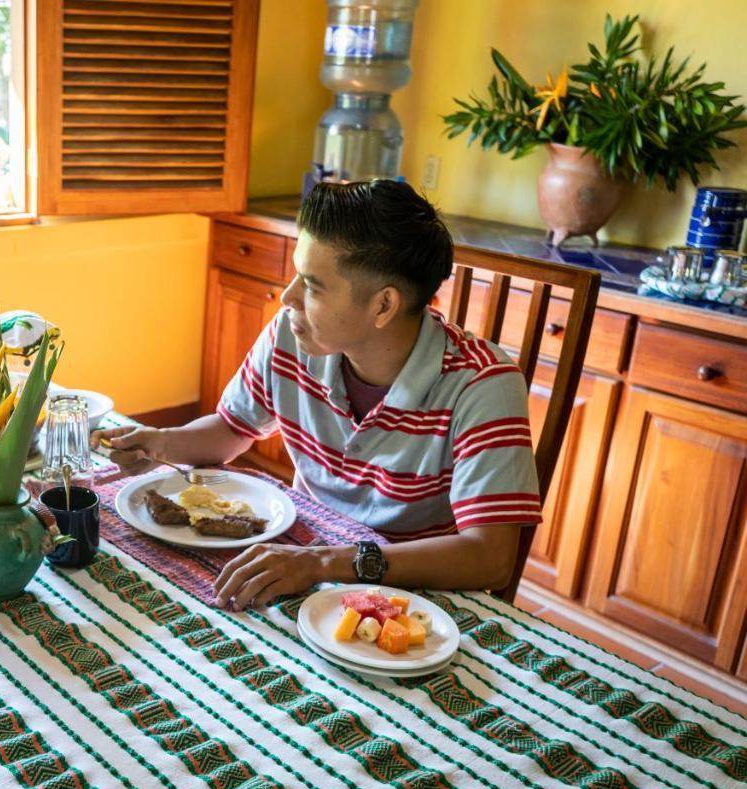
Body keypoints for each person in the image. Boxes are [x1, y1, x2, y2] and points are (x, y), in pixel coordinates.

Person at [96, 180, 541, 609]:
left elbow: (489, 559)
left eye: (311, 285)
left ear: (383, 306)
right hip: (303, 560)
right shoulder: (292, 337)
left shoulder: (483, 385)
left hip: (412, 594)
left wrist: (326, 562)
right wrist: (161, 442)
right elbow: (233, 429)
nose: (287, 297)